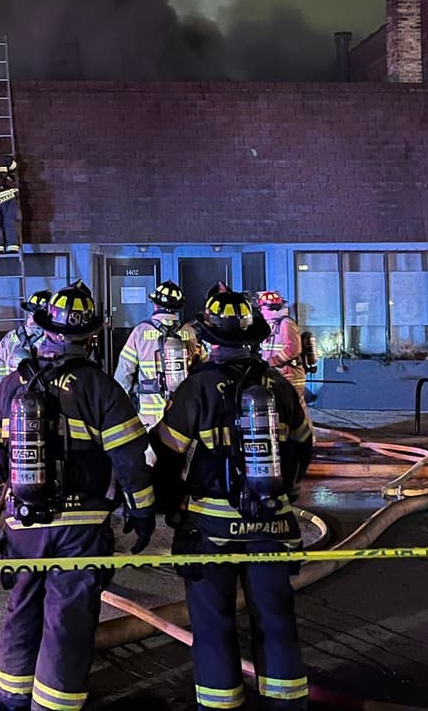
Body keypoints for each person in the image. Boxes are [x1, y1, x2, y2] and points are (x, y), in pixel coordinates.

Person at [0, 281, 154, 711]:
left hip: (24, 522)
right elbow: (130, 459)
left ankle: (12, 699)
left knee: (21, 609)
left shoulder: (13, 386)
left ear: (46, 330)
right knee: (68, 622)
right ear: (90, 337)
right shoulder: (100, 388)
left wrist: (11, 486)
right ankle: (54, 706)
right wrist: (143, 510)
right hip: (82, 527)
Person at [152, 286, 314, 711]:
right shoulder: (276, 385)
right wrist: (285, 492)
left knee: (213, 623)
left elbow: (168, 456)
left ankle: (220, 704)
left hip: (211, 530)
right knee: (277, 621)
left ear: (208, 338)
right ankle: (286, 702)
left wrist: (168, 506)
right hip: (272, 523)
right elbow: (302, 445)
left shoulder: (196, 388)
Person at [113, 280, 201, 429]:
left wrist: (119, 409)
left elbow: (124, 374)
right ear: (178, 308)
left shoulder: (140, 332)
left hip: (150, 417)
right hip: (184, 413)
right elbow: (203, 367)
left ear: (155, 304)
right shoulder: (190, 332)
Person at [258, 289, 318, 412]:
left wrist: (272, 362)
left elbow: (293, 349)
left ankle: (304, 431)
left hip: (290, 374)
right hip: (279, 374)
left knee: (296, 409)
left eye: (261, 308)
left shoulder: (286, 323)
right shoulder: (271, 325)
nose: (260, 311)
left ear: (270, 308)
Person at [0, 289, 52, 389]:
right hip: (38, 400)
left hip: (10, 397)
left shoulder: (11, 337)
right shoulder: (52, 340)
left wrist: (6, 393)